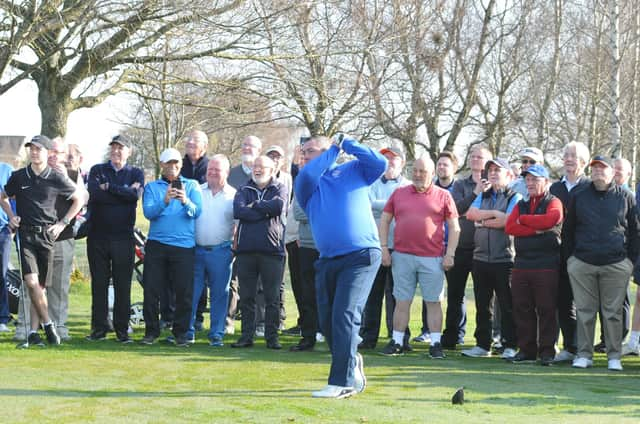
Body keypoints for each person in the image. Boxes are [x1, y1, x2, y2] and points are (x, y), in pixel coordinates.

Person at [295, 134, 385, 399]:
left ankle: (341, 382)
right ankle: (350, 361)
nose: (305, 156)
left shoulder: (353, 169)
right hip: (327, 260)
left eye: (310, 151)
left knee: (345, 314)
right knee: (328, 323)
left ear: (327, 151)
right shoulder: (307, 183)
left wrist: (347, 144)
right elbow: (310, 172)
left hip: (361, 255)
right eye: (304, 151)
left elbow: (379, 163)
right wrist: (331, 150)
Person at [0, 135, 85, 347]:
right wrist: (12, 216)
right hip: (26, 235)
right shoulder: (19, 176)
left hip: (48, 236)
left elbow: (78, 200)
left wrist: (63, 223)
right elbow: (2, 196)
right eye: (32, 149)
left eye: (39, 149)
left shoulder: (56, 177)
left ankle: (32, 334)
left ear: (48, 153)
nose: (35, 152)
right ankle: (48, 325)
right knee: (30, 282)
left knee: (39, 287)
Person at [378, 156, 460, 359]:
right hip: (402, 256)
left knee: (433, 302)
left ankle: (435, 344)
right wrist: (384, 248)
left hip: (432, 258)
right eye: (415, 170)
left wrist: (450, 254)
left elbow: (455, 227)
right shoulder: (399, 193)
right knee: (402, 301)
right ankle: (397, 341)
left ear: (432, 174)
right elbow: (385, 220)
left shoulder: (443, 196)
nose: (417, 174)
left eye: (422, 171)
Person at [563, 155, 639, 371]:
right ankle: (584, 355)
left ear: (612, 172)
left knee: (612, 312)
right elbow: (568, 231)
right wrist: (571, 259)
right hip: (582, 262)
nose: (597, 172)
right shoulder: (579, 195)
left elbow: (635, 231)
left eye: (602, 168)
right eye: (594, 168)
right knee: (585, 311)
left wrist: (630, 262)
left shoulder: (626, 196)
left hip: (616, 263)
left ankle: (613, 356)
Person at [141, 148, 202, 346]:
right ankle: (151, 331)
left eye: (176, 164)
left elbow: (197, 212)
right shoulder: (152, 187)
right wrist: (165, 201)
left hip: (183, 246)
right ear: (162, 165)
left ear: (180, 165)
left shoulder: (191, 186)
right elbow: (149, 213)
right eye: (168, 164)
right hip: (157, 245)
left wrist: (185, 201)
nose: (172, 168)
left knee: (183, 291)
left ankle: (181, 333)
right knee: (151, 289)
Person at [86, 135, 144, 342]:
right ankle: (99, 329)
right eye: (114, 148)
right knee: (99, 284)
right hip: (98, 237)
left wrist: (109, 188)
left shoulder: (136, 172)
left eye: (121, 148)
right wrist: (123, 193)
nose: (116, 151)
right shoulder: (97, 170)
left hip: (123, 238)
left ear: (129, 151)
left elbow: (133, 197)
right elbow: (94, 195)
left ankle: (121, 330)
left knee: (122, 285)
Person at [461, 157, 521, 359]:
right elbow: (470, 214)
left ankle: (510, 345)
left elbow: (507, 221)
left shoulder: (515, 196)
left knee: (507, 306)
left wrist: (485, 219)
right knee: (482, 305)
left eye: (498, 170)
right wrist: (494, 215)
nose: (493, 173)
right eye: (491, 170)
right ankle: (482, 345)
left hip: (505, 259)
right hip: (481, 258)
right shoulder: (484, 194)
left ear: (509, 175)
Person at [504, 164, 563, 365]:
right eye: (527, 180)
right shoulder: (521, 204)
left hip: (546, 265)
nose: (529, 183)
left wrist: (525, 221)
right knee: (522, 308)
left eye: (534, 180)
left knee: (546, 309)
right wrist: (534, 228)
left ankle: (547, 351)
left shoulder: (553, 202)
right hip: (521, 264)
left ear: (546, 182)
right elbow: (510, 226)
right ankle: (527, 350)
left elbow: (552, 219)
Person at [231, 155, 287, 349]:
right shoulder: (243, 189)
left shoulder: (279, 187)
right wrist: (264, 210)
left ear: (272, 170)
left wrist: (253, 206)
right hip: (246, 251)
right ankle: (246, 336)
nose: (258, 169)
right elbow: (238, 211)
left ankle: (272, 338)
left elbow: (278, 207)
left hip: (272, 251)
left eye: (262, 167)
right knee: (246, 297)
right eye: (255, 166)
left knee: (272, 298)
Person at [440, 145, 492, 349]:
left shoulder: (494, 184)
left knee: (483, 299)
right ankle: (452, 336)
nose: (475, 159)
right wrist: (476, 193)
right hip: (461, 247)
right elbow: (455, 210)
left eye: (480, 157)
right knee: (455, 295)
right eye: (473, 156)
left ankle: (483, 340)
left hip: (483, 249)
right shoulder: (461, 184)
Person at [359, 146, 410, 350]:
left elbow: (403, 208)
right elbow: (366, 204)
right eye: (385, 158)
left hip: (400, 247)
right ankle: (368, 336)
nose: (389, 161)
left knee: (397, 295)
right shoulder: (370, 183)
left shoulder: (407, 186)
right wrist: (392, 205)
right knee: (372, 295)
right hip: (374, 245)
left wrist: (380, 206)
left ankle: (398, 337)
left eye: (393, 158)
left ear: (402, 162)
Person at [187, 154, 235, 347]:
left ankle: (216, 333)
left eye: (218, 170)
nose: (213, 173)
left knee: (220, 295)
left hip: (222, 251)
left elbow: (238, 225)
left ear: (227, 172)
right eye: (210, 170)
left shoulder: (234, 195)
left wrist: (233, 249)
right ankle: (187, 331)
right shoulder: (197, 191)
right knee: (191, 293)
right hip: (196, 250)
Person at [549, 141, 590, 362]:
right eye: (565, 155)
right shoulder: (554, 189)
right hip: (556, 254)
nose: (568, 159)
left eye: (573, 155)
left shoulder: (589, 187)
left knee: (582, 305)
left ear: (583, 161)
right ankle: (567, 347)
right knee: (562, 301)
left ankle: (581, 349)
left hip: (582, 254)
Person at [46, 137, 88, 341]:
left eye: (59, 152)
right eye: (51, 151)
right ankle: (26, 327)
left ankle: (58, 327)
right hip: (36, 237)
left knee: (60, 285)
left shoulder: (71, 173)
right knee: (33, 284)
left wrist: (67, 179)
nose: (54, 156)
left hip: (64, 237)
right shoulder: (34, 172)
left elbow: (84, 199)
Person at [593, 157, 633, 353]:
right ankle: (606, 338)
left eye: (620, 170)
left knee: (620, 300)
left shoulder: (628, 196)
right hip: (601, 257)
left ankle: (618, 336)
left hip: (620, 257)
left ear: (628, 174)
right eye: (614, 168)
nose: (616, 172)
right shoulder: (601, 194)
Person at [226, 135, 263, 334]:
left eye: (252, 145)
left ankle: (256, 323)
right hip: (233, 233)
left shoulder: (264, 174)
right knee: (232, 281)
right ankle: (229, 321)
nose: (247, 148)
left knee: (256, 282)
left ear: (259, 150)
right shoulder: (231, 174)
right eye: (245, 144)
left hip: (257, 235)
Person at [179, 130, 209, 332]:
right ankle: (177, 313)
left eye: (195, 140)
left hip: (202, 224)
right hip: (181, 225)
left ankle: (198, 315)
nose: (190, 142)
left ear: (204, 146)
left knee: (202, 276)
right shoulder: (179, 165)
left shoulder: (209, 167)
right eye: (189, 139)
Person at [0, 161, 14, 333]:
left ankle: (2, 317)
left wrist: (13, 220)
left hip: (2, 230)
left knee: (1, 275)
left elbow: (14, 197)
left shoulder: (7, 170)